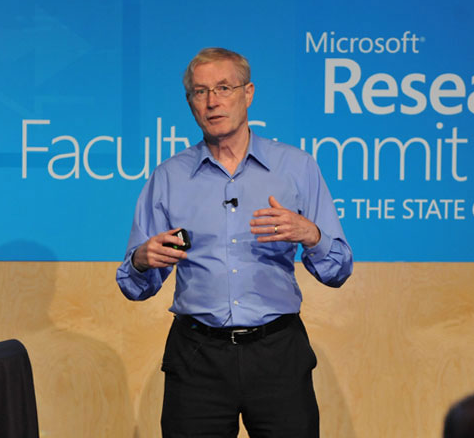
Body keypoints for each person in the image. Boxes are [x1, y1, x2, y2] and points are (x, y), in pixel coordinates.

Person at [116, 47, 352, 437]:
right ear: (190, 102)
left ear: (248, 93)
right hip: (197, 359)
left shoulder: (296, 167)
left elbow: (338, 269)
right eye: (200, 91)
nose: (212, 101)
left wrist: (311, 235)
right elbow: (133, 285)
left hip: (278, 353)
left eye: (224, 88)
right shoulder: (169, 177)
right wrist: (141, 260)